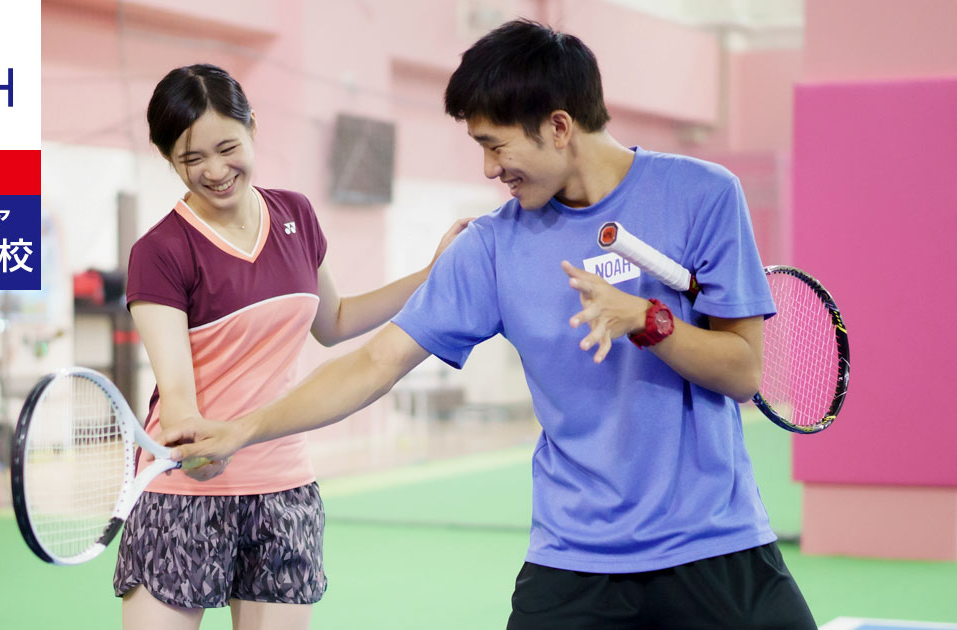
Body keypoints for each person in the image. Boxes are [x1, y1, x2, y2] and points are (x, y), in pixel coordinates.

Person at [160, 21, 817, 630]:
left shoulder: (704, 196)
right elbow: (373, 363)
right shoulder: (492, 246)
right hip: (575, 560)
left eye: (493, 145)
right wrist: (245, 428)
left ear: (558, 126)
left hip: (714, 546)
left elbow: (743, 372)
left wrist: (648, 321)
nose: (487, 169)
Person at [113, 63, 469, 630]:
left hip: (283, 486)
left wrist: (432, 273)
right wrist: (195, 441)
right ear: (168, 160)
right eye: (191, 159)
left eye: (227, 147)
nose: (214, 171)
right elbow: (176, 392)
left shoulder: (295, 215)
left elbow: (336, 320)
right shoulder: (160, 250)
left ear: (253, 125)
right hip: (185, 489)